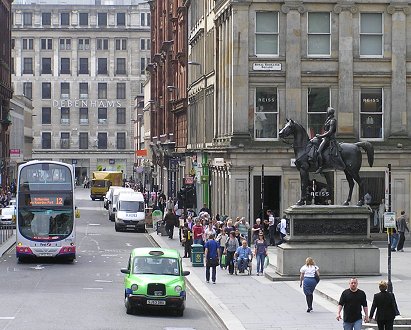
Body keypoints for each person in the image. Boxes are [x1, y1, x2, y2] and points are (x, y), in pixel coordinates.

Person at [313, 106, 337, 174]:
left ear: (329, 113)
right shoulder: (329, 119)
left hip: (328, 139)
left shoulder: (332, 121)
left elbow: (330, 132)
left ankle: (321, 167)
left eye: (327, 112)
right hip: (325, 137)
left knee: (319, 151)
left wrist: (320, 136)